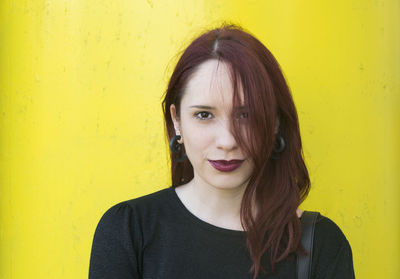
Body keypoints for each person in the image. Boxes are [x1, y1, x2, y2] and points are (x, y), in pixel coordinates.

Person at [88, 24, 355, 279]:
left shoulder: (321, 244)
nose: (227, 141)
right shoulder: (129, 231)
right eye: (204, 115)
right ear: (176, 120)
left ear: (274, 122)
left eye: (246, 115)